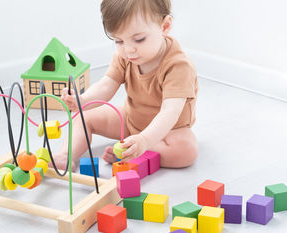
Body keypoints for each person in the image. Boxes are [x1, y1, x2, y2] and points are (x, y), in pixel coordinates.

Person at [52, 0, 198, 171]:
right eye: (119, 41)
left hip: (168, 131)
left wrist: (144, 140)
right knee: (83, 117)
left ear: (164, 27)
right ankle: (64, 155)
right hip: (131, 120)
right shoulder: (125, 57)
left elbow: (170, 112)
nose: (128, 50)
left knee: (186, 150)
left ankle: (130, 152)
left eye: (139, 39)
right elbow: (107, 85)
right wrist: (82, 101)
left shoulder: (178, 66)